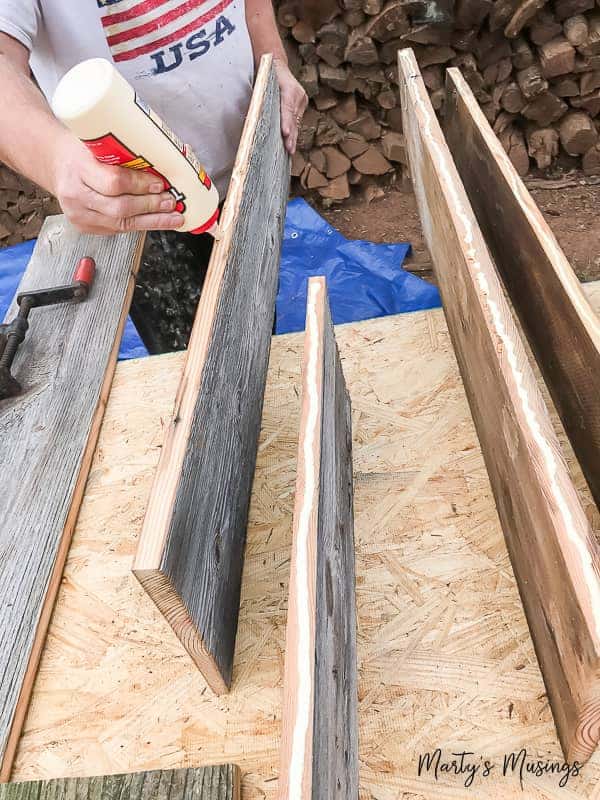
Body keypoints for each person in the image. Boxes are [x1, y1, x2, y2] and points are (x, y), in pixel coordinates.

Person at [0, 0, 308, 350]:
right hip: (144, 204)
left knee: (255, 307)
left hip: (249, 153)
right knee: (194, 356)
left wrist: (273, 61)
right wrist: (56, 159)